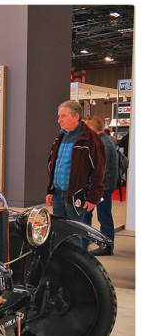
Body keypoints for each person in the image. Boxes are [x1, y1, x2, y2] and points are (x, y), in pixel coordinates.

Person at [45, 100, 105, 246]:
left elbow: (98, 169)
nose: (59, 120)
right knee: (57, 232)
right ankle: (60, 259)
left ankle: (75, 260)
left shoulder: (90, 139)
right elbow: (53, 164)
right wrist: (51, 190)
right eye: (59, 116)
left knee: (74, 234)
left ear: (76, 116)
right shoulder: (60, 137)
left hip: (77, 195)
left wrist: (93, 197)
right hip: (58, 194)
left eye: (63, 116)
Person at [82, 116, 117, 255]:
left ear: (91, 128)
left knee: (103, 216)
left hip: (102, 186)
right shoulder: (106, 140)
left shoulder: (101, 143)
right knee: (103, 215)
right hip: (105, 185)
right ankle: (105, 245)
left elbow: (101, 168)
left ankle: (105, 246)